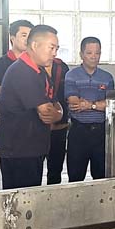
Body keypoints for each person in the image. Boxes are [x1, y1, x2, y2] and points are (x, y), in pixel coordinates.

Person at [0, 24, 63, 189]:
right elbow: (46, 112)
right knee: (21, 199)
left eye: (57, 48)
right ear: (34, 45)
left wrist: (59, 113)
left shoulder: (39, 72)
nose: (54, 53)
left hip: (33, 149)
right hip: (19, 152)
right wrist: (58, 114)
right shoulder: (22, 72)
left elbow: (55, 104)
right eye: (51, 48)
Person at [64, 37, 114, 181]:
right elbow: (74, 103)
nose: (94, 56)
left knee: (101, 176)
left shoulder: (107, 78)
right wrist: (98, 105)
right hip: (78, 132)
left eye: (97, 53)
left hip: (101, 132)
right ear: (81, 54)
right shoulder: (71, 76)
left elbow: (110, 104)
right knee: (75, 176)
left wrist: (90, 105)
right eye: (89, 53)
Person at [0, 19, 34, 97]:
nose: (27, 40)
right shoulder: (1, 64)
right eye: (24, 35)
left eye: (30, 36)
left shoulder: (35, 62)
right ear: (12, 38)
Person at [45, 54, 70, 184]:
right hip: (36, 129)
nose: (52, 51)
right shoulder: (29, 69)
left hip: (59, 126)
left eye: (54, 47)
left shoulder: (61, 67)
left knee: (55, 169)